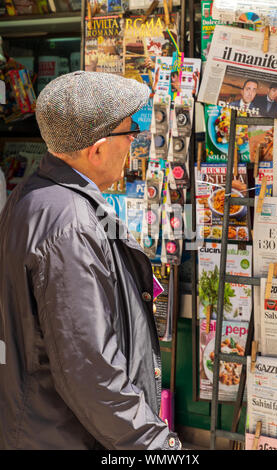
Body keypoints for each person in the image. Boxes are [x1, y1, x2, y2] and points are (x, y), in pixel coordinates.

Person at [0, 71, 181, 451]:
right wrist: (157, 447)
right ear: (97, 149)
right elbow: (90, 371)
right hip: (63, 435)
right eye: (129, 132)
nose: (133, 141)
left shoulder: (31, 196)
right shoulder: (70, 224)